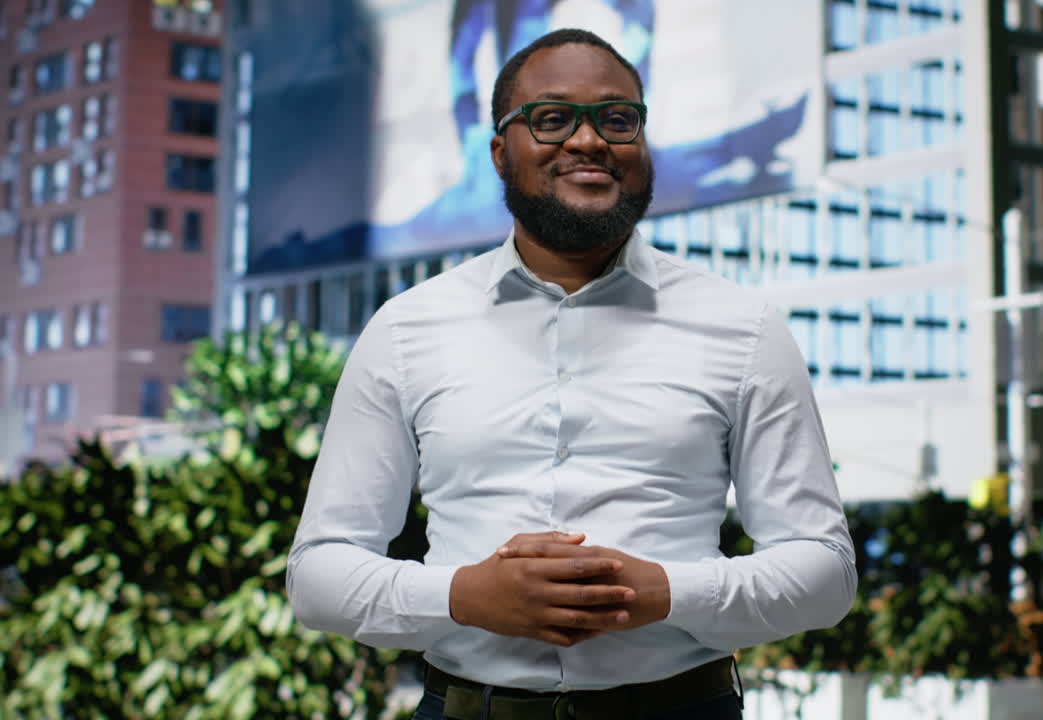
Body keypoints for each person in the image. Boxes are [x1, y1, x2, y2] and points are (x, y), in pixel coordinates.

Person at [287, 28, 857, 720]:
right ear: (500, 151)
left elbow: (824, 572)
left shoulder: (745, 328)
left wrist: (662, 592)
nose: (589, 141)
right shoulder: (406, 330)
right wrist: (464, 595)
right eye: (551, 118)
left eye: (617, 119)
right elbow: (318, 575)